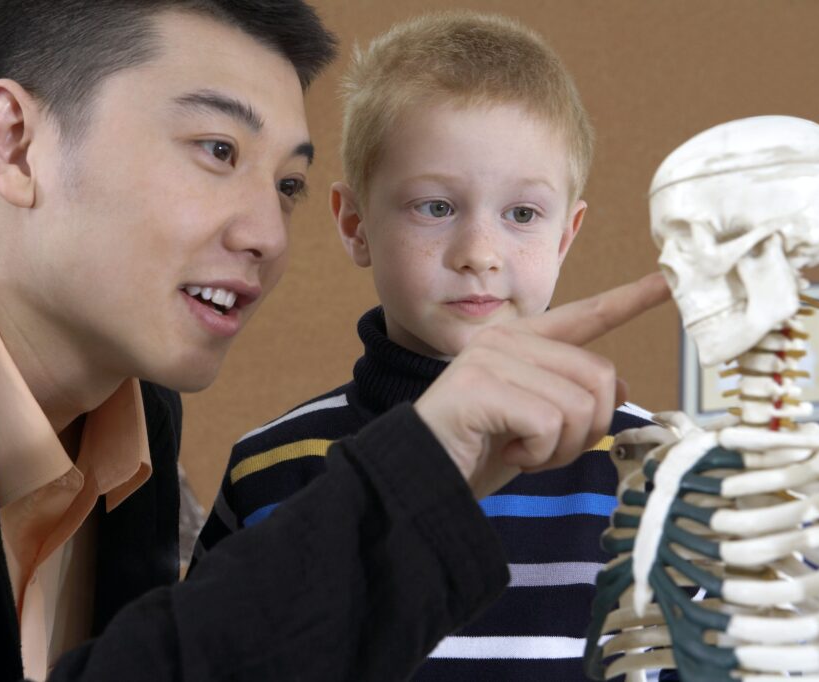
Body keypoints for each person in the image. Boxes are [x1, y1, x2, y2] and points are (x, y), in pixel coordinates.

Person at [0, 1, 668, 680]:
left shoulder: (137, 423)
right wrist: (418, 478)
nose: (267, 235)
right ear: (14, 141)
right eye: (218, 150)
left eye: (285, 185)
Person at [197, 12, 655, 680]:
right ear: (354, 223)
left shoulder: (653, 473)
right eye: (435, 207)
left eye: (522, 215)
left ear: (566, 235)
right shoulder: (269, 471)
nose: (480, 255)